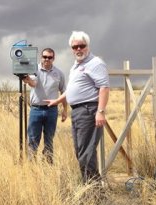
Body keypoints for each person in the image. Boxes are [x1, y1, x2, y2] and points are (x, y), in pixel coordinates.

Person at [45, 31, 110, 182]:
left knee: (86, 153)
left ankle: (93, 193)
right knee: (81, 152)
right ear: (72, 49)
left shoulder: (95, 63)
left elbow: (104, 87)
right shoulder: (76, 65)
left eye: (82, 46)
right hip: (78, 112)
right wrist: (58, 100)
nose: (78, 49)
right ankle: (90, 188)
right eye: (75, 47)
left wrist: (100, 111)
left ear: (88, 46)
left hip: (89, 110)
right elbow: (71, 89)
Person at [23, 48, 67, 164]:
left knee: (49, 140)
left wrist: (65, 110)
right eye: (45, 57)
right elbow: (33, 82)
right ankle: (31, 167)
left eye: (49, 57)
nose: (47, 59)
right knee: (33, 139)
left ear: (53, 58)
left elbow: (64, 92)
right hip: (36, 110)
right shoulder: (34, 70)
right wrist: (28, 80)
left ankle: (48, 167)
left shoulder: (59, 73)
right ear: (41, 57)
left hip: (51, 111)